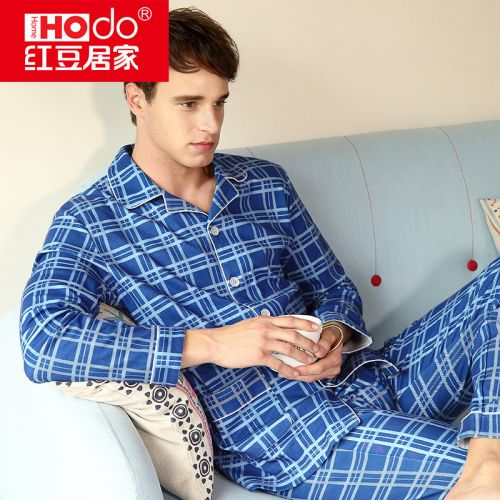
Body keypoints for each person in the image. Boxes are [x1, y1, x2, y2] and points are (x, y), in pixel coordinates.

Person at [20, 6, 500, 500]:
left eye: (219, 102)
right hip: (291, 441)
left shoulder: (265, 182)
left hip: (375, 379)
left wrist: (334, 337)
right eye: (189, 103)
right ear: (136, 98)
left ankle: (488, 450)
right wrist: (211, 344)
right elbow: (42, 339)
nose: (210, 124)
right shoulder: (92, 221)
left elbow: (334, 289)